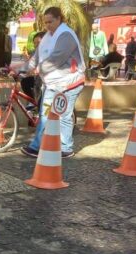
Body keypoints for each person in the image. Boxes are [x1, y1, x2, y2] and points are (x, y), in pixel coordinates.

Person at [19, 6, 85, 159]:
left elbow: (56, 58)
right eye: (45, 22)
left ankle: (66, 148)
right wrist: (21, 69)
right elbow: (36, 57)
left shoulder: (66, 35)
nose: (48, 25)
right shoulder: (48, 37)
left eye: (50, 22)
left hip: (70, 83)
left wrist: (37, 70)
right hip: (52, 83)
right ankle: (36, 147)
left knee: (64, 116)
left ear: (59, 19)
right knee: (44, 115)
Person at [20, 31, 44, 105]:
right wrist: (15, 70)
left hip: (48, 83)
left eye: (38, 42)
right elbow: (29, 64)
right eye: (35, 43)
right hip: (38, 79)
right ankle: (34, 102)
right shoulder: (36, 52)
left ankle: (40, 105)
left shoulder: (48, 51)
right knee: (25, 81)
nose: (36, 45)